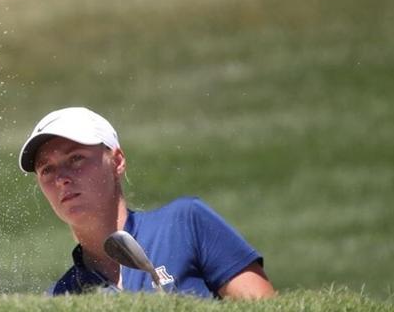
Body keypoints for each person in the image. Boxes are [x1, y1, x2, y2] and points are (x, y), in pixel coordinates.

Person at [19, 107, 275, 299]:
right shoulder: (60, 298)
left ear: (117, 162)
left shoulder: (185, 223)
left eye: (76, 158)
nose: (62, 178)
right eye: (47, 170)